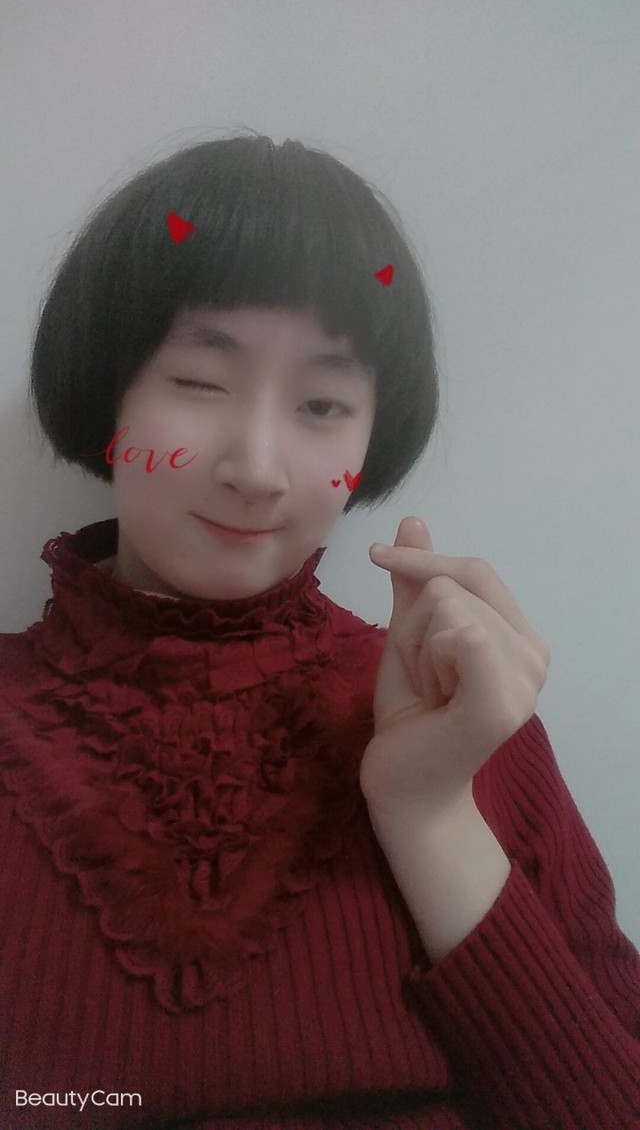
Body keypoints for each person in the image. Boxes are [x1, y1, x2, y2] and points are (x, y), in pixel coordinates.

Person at [0, 132, 638, 1130]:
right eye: (199, 382)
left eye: (324, 403)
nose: (257, 470)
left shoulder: (463, 713)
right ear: (106, 389)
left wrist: (430, 811)